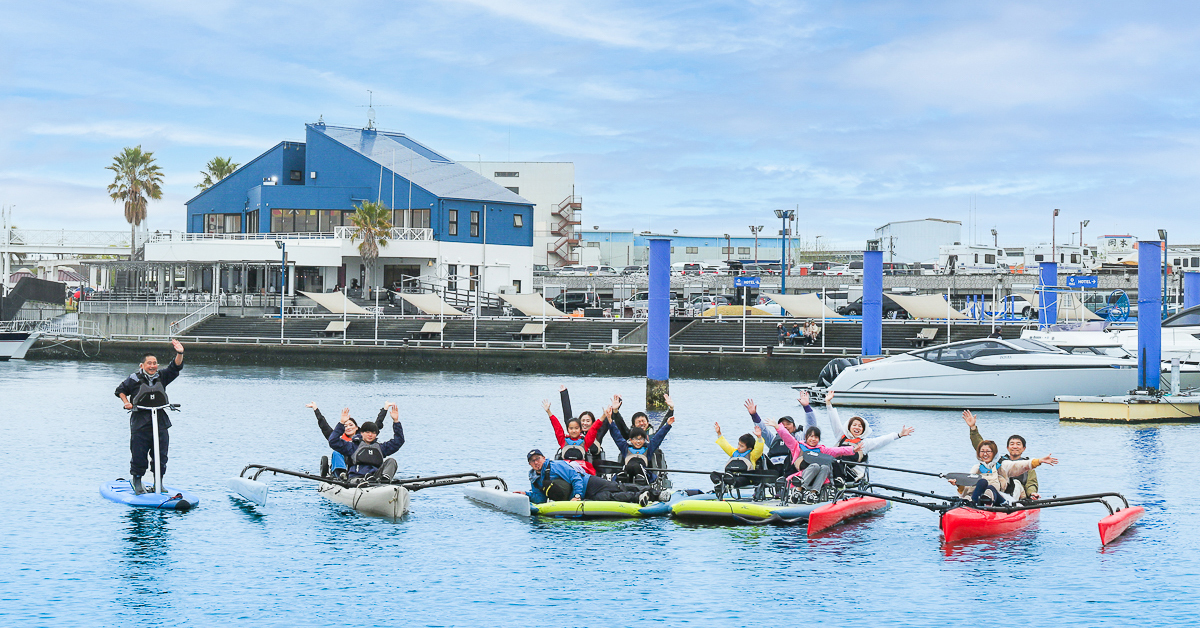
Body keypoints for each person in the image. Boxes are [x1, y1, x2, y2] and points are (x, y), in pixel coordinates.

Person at [114, 340, 185, 495]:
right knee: (139, 452)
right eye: (149, 363)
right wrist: (127, 403)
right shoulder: (133, 379)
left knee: (161, 453)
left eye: (155, 363)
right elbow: (120, 390)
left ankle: (158, 482)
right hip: (140, 421)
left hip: (160, 420)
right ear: (142, 365)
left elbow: (175, 367)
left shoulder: (162, 376)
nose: (152, 366)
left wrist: (179, 353)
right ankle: (137, 481)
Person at [823, 391, 914, 484]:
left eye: (860, 426)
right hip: (833, 469)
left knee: (838, 460)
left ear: (863, 430)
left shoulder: (865, 443)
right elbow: (834, 421)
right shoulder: (841, 436)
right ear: (849, 427)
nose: (857, 428)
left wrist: (899, 435)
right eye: (854, 425)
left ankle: (839, 480)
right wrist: (828, 403)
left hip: (852, 475)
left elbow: (882, 440)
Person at [524, 449, 657, 505]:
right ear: (530, 464)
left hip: (588, 483)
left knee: (617, 487)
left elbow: (575, 478)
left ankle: (654, 493)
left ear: (543, 458)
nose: (536, 462)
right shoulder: (535, 480)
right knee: (609, 497)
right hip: (581, 497)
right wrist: (526, 495)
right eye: (532, 461)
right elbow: (540, 499)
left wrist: (577, 496)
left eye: (538, 459)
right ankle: (639, 497)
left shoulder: (555, 466)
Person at [954, 438, 1056, 506]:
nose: (985, 454)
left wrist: (1039, 461)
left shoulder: (1003, 465)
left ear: (994, 453)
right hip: (979, 500)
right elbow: (967, 489)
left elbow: (1019, 465)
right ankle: (974, 504)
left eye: (988, 451)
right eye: (982, 451)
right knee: (982, 482)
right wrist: (959, 486)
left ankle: (979, 504)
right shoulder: (976, 468)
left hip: (1000, 499)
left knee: (990, 488)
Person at [962, 410, 1040, 499]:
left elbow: (1031, 483)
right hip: (1001, 490)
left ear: (1023, 448)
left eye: (1018, 444)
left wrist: (1032, 493)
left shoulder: (1027, 465)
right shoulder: (1000, 461)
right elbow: (982, 446)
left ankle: (1009, 503)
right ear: (1007, 448)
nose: (1015, 447)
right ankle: (983, 498)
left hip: (1018, 495)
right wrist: (973, 428)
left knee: (1016, 483)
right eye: (1012, 444)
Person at [775, 424, 858, 502]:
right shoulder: (797, 447)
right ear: (806, 437)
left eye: (816, 437)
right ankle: (798, 490)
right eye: (811, 436)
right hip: (800, 476)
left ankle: (813, 493)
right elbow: (787, 438)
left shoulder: (821, 450)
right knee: (815, 466)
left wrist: (852, 450)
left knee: (825, 467)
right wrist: (778, 428)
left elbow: (838, 450)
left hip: (817, 477)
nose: (813, 439)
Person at [746, 393, 818, 479]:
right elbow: (763, 431)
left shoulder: (800, 438)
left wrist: (806, 407)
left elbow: (811, 425)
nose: (785, 426)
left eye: (788, 424)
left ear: (794, 426)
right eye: (783, 424)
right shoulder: (774, 439)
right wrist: (754, 415)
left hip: (791, 468)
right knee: (761, 457)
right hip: (774, 468)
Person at [327, 403, 405, 481]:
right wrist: (341, 423)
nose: (370, 435)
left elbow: (399, 441)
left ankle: (385, 480)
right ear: (361, 433)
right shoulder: (352, 447)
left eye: (373, 433)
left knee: (391, 461)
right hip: (356, 478)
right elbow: (333, 441)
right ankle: (368, 479)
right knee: (361, 478)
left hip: (375, 477)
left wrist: (396, 421)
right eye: (367, 432)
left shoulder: (381, 448)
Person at [606, 399, 675, 485]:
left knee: (637, 467)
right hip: (627, 475)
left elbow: (660, 436)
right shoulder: (625, 447)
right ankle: (622, 480)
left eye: (641, 439)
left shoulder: (649, 447)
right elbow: (616, 435)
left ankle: (641, 480)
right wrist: (610, 419)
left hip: (643, 477)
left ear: (644, 439)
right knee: (627, 469)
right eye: (636, 439)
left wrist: (668, 424)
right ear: (630, 440)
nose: (638, 442)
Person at [542, 397, 604, 475]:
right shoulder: (563, 441)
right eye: (571, 428)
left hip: (581, 471)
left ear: (581, 429)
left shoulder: (585, 441)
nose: (574, 431)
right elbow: (557, 427)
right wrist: (549, 412)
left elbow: (594, 429)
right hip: (565, 471)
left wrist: (604, 416)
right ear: (568, 430)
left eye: (576, 428)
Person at [307, 402, 363, 475]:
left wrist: (383, 410)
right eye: (345, 426)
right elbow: (324, 426)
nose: (348, 427)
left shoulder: (364, 438)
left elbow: (376, 426)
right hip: (344, 468)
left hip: (358, 466)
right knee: (336, 452)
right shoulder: (337, 439)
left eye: (351, 425)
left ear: (356, 427)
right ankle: (341, 473)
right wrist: (316, 409)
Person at [714, 423, 764, 489]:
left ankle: (730, 482)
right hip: (732, 475)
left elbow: (759, 449)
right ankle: (719, 483)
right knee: (714, 474)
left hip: (745, 477)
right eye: (738, 444)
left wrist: (759, 438)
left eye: (742, 446)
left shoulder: (752, 455)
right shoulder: (734, 452)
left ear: (749, 448)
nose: (739, 447)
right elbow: (725, 445)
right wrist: (719, 433)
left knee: (739, 480)